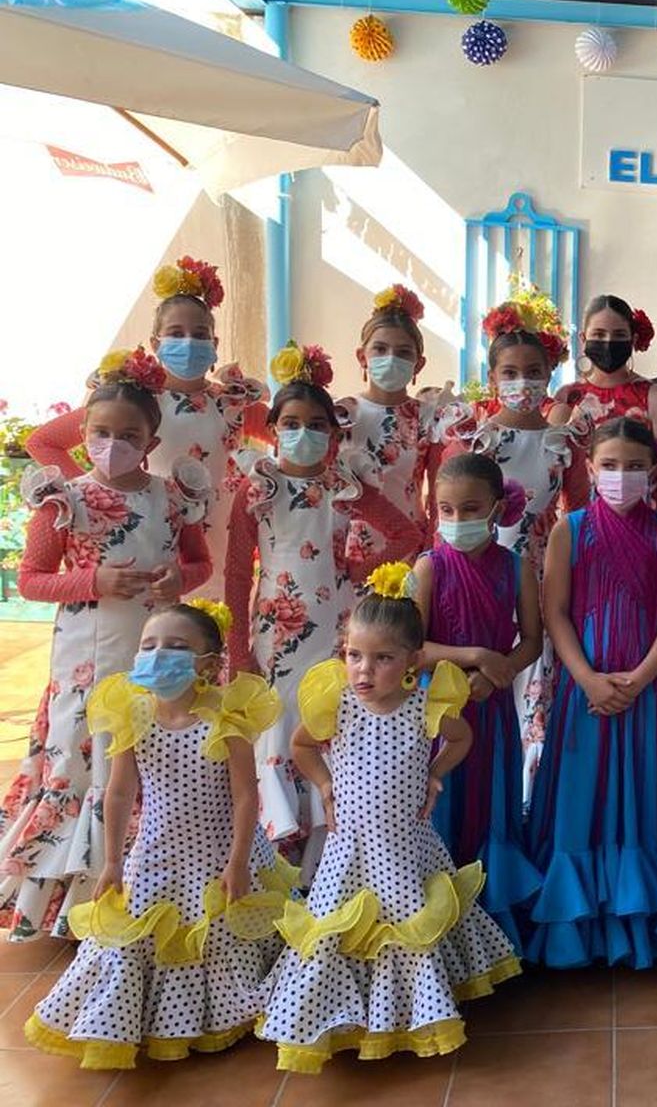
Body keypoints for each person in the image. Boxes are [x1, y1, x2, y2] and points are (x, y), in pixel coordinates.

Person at [258, 569, 519, 1073]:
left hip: (405, 847)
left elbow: (462, 739)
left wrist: (436, 774)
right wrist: (327, 785)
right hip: (350, 847)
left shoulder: (425, 706)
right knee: (340, 928)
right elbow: (301, 746)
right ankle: (332, 1013)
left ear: (412, 662)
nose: (364, 670)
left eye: (381, 658)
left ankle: (412, 1012)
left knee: (407, 925)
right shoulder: (339, 706)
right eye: (354, 656)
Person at [0, 349, 212, 943]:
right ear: (83, 432)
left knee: (147, 758)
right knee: (81, 754)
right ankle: (71, 905)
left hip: (158, 651)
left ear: (150, 439)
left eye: (128, 434)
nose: (112, 443)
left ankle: (149, 885)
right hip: (86, 651)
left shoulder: (173, 497)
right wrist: (93, 580)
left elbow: (199, 561)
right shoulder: (62, 500)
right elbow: (33, 579)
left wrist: (180, 578)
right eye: (100, 432)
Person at [25, 601, 294, 1069]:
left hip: (218, 857)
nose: (157, 656)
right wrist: (111, 861)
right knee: (135, 940)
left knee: (217, 939)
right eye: (148, 646)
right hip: (154, 856)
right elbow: (118, 791)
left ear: (209, 664)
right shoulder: (134, 716)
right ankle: (121, 1020)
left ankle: (215, 1015)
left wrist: (238, 861)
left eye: (175, 647)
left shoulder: (225, 719)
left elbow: (246, 798)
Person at [225, 342, 421, 853]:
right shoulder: (258, 487)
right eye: (290, 423)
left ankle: (324, 853)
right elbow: (235, 573)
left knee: (324, 724)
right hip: (273, 632)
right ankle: (275, 855)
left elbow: (406, 535)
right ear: (273, 428)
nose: (303, 433)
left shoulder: (345, 484)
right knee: (273, 731)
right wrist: (239, 649)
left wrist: (356, 570)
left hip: (334, 629)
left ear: (334, 433)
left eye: (316, 424)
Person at [514, 416, 657, 968]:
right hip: (582, 688)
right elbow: (555, 613)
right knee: (577, 798)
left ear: (654, 473)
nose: (621, 476)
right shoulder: (571, 529)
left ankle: (638, 927)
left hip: (645, 688)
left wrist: (638, 680)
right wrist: (588, 678)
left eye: (634, 467)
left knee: (640, 792)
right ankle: (573, 930)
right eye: (609, 466)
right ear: (589, 469)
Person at [25, 257, 269, 599]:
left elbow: (289, 431)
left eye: (199, 335)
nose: (188, 342)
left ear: (214, 345)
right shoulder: (135, 403)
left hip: (219, 539)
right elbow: (44, 442)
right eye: (176, 334)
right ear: (155, 344)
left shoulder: (231, 402)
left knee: (212, 635)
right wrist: (96, 493)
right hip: (151, 533)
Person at [439, 297, 585, 796]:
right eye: (510, 371)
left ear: (549, 373)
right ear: (493, 374)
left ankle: (522, 799)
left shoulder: (561, 442)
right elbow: (444, 506)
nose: (522, 381)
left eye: (533, 371)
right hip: (471, 574)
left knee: (532, 684)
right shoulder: (474, 438)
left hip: (539, 573)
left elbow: (580, 516)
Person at [412, 453, 544, 931]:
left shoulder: (516, 569)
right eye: (446, 510)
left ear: (495, 509)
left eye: (470, 509)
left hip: (492, 710)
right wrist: (475, 656)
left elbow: (533, 639)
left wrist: (498, 670)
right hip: (438, 714)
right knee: (441, 804)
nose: (457, 520)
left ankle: (492, 928)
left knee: (490, 805)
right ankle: (440, 929)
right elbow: (412, 648)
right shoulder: (429, 568)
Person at [548, 294, 657, 523]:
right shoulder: (567, 397)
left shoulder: (654, 397)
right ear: (583, 339)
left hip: (642, 527)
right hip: (579, 528)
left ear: (633, 340)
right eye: (599, 334)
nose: (608, 342)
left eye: (619, 335)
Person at [340, 284, 441, 537]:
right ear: (362, 357)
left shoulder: (430, 418)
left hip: (409, 543)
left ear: (418, 364)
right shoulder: (341, 413)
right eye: (380, 349)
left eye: (404, 352)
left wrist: (432, 548)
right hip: (345, 547)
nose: (391, 358)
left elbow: (440, 498)